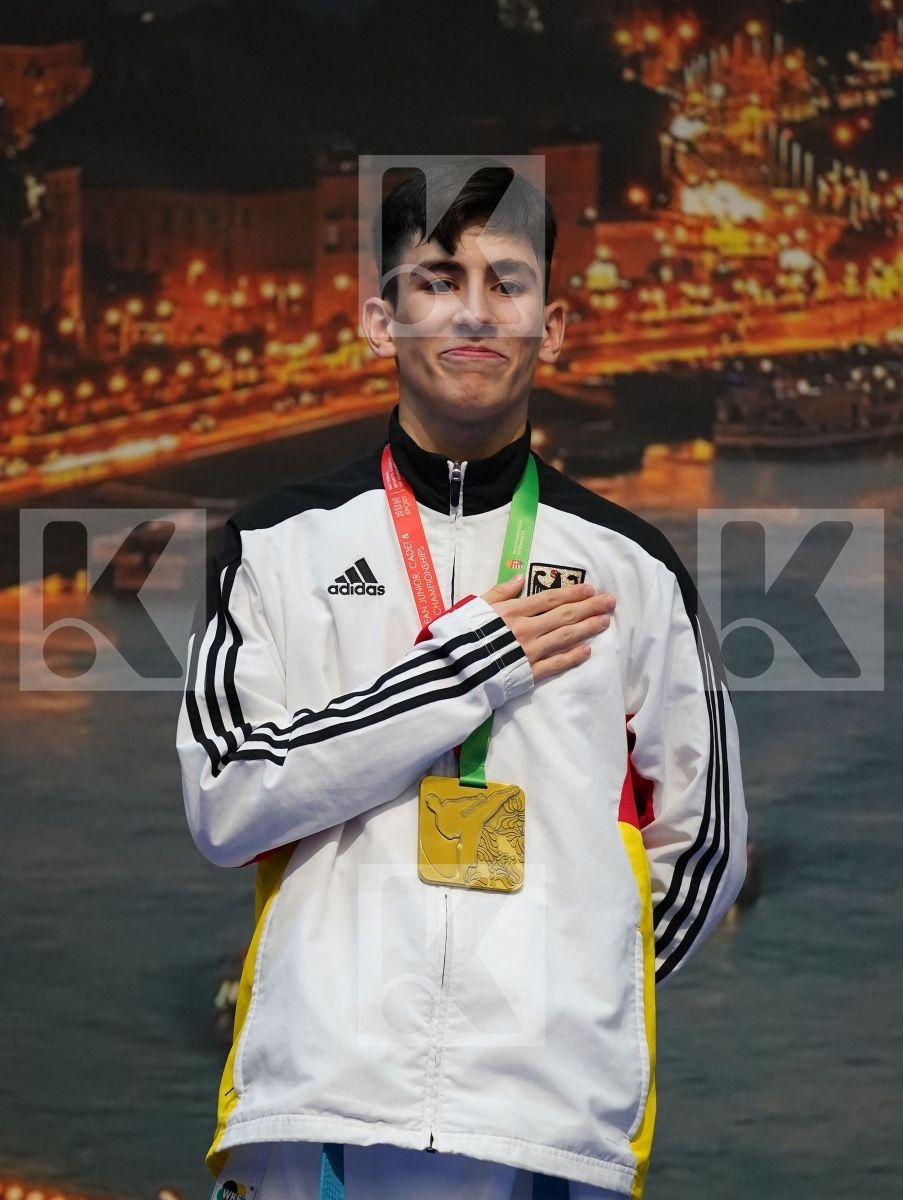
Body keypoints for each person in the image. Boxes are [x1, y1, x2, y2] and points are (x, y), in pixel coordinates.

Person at [176, 158, 748, 1200]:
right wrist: (467, 666)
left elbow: (704, 846)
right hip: (319, 1108)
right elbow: (227, 799)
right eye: (438, 280)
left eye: (507, 282)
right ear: (378, 321)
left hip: (544, 1131)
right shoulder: (275, 543)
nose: (474, 312)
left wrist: (574, 986)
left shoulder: (635, 566)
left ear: (555, 325)